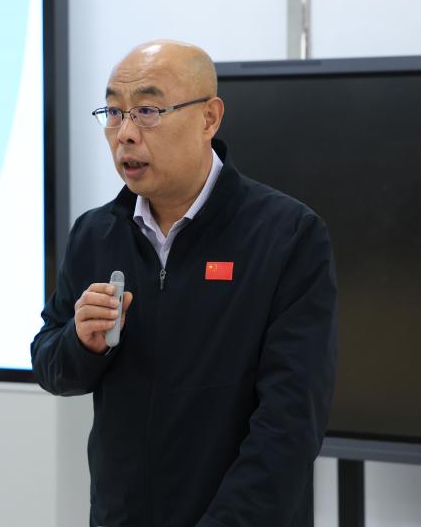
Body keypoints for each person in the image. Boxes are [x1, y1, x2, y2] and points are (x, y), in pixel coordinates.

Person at [31, 40, 337, 526]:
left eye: (147, 111)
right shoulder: (96, 233)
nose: (125, 134)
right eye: (114, 112)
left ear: (209, 118)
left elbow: (291, 423)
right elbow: (52, 367)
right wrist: (81, 342)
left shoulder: (287, 236)